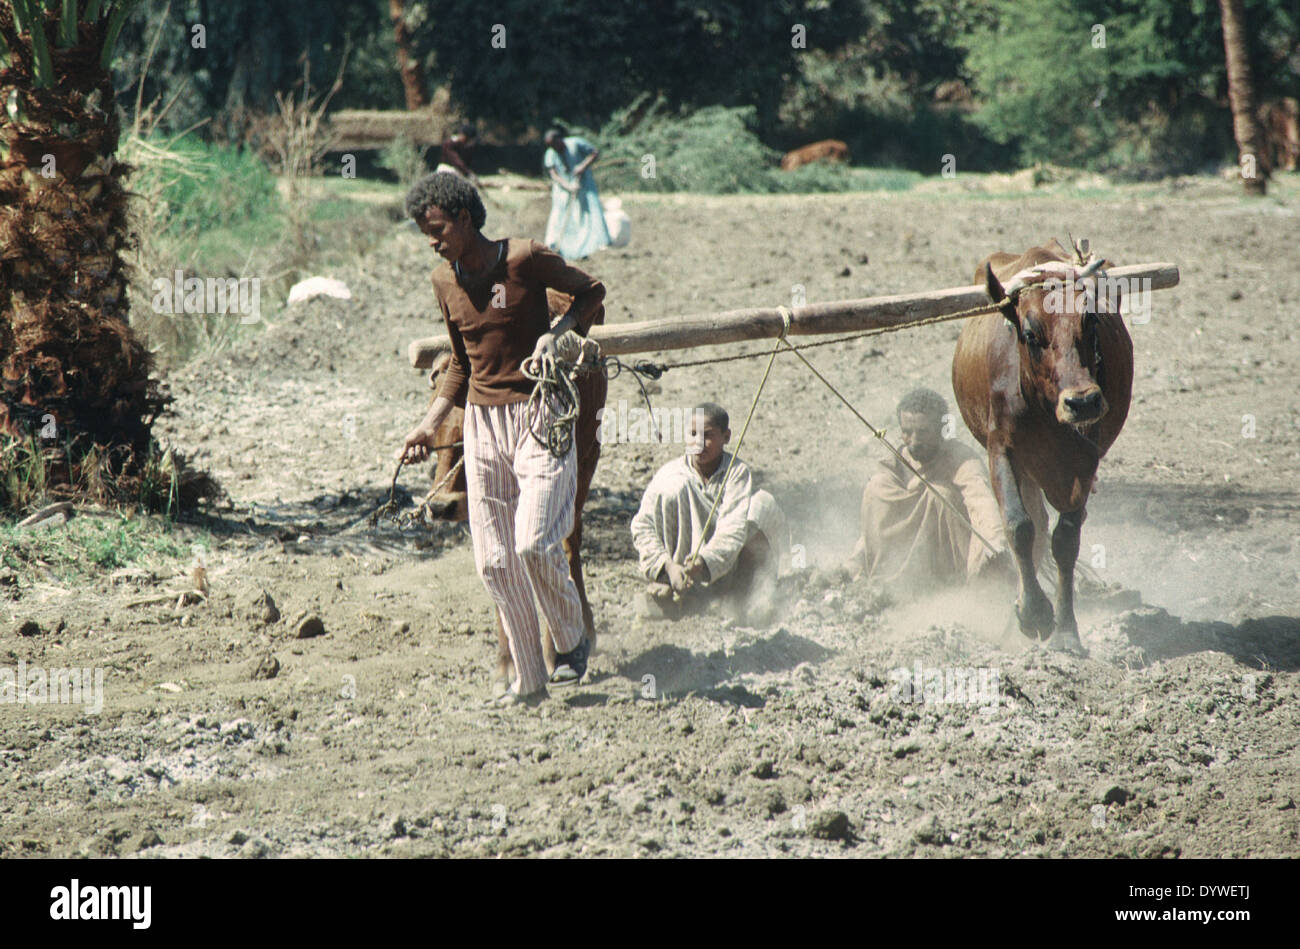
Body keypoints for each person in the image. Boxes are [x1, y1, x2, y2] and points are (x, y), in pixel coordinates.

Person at [396, 172, 605, 707]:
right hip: (482, 425)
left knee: (534, 540)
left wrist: (553, 338)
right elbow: (461, 365)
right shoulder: (444, 283)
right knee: (493, 561)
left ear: (465, 218)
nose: (432, 241)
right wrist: (429, 421)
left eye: (437, 229)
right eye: (425, 232)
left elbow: (592, 293)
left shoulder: (525, 258)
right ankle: (528, 680)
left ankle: (571, 639)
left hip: (540, 411)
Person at [631, 403, 785, 625]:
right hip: (676, 574)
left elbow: (732, 530)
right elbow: (642, 527)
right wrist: (668, 566)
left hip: (719, 571)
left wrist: (703, 562)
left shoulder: (736, 473)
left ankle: (741, 601)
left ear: (726, 436)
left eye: (708, 435)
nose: (698, 443)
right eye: (693, 434)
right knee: (675, 488)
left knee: (761, 509)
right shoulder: (670, 474)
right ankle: (673, 591)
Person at [844, 387, 1010, 592]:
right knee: (876, 487)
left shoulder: (959, 458)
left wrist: (995, 545)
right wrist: (855, 562)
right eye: (907, 432)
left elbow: (981, 501)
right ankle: (884, 581)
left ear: (940, 430)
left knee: (940, 494)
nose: (914, 441)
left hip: (947, 563)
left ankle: (956, 586)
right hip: (901, 564)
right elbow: (875, 521)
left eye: (923, 432)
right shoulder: (896, 462)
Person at [543, 127, 611, 259]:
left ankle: (588, 246)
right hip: (562, 190)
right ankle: (555, 246)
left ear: (560, 139)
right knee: (559, 216)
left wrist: (582, 166)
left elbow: (594, 152)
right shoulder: (550, 153)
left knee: (586, 214)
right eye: (550, 146)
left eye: (554, 144)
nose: (553, 148)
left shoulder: (576, 143)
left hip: (584, 185)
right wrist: (568, 186)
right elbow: (554, 175)